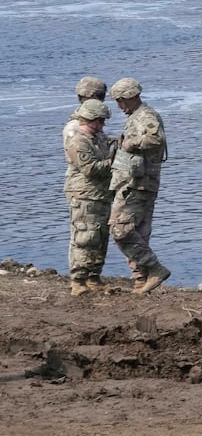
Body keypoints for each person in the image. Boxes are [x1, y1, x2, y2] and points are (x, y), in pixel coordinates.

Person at [107, 77, 170, 293]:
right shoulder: (136, 117)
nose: (119, 106)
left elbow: (155, 139)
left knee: (120, 230)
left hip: (138, 184)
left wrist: (130, 143)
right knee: (138, 232)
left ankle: (155, 269)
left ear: (132, 97)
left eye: (121, 100)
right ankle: (141, 280)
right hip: (134, 182)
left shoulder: (146, 115)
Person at [63, 98, 116, 295]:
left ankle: (94, 278)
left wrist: (116, 143)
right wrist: (114, 160)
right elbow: (90, 169)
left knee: (100, 237)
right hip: (85, 195)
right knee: (85, 237)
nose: (103, 124)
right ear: (89, 119)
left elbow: (104, 149)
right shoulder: (78, 140)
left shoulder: (97, 136)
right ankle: (78, 281)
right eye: (100, 121)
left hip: (100, 194)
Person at [66, 76, 107, 143]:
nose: (101, 101)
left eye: (102, 96)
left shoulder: (93, 120)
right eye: (100, 96)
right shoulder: (76, 127)